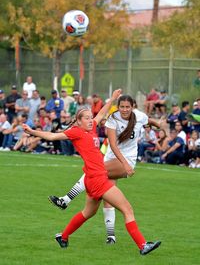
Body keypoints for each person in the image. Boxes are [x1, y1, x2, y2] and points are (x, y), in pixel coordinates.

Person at [22, 90, 161, 256]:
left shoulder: (92, 128)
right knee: (127, 210)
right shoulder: (76, 132)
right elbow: (52, 136)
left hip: (92, 178)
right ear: (79, 122)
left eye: (90, 117)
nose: (91, 120)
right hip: (97, 180)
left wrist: (112, 99)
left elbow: (102, 113)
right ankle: (143, 245)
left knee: (88, 212)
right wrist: (32, 131)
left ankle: (63, 236)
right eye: (86, 118)